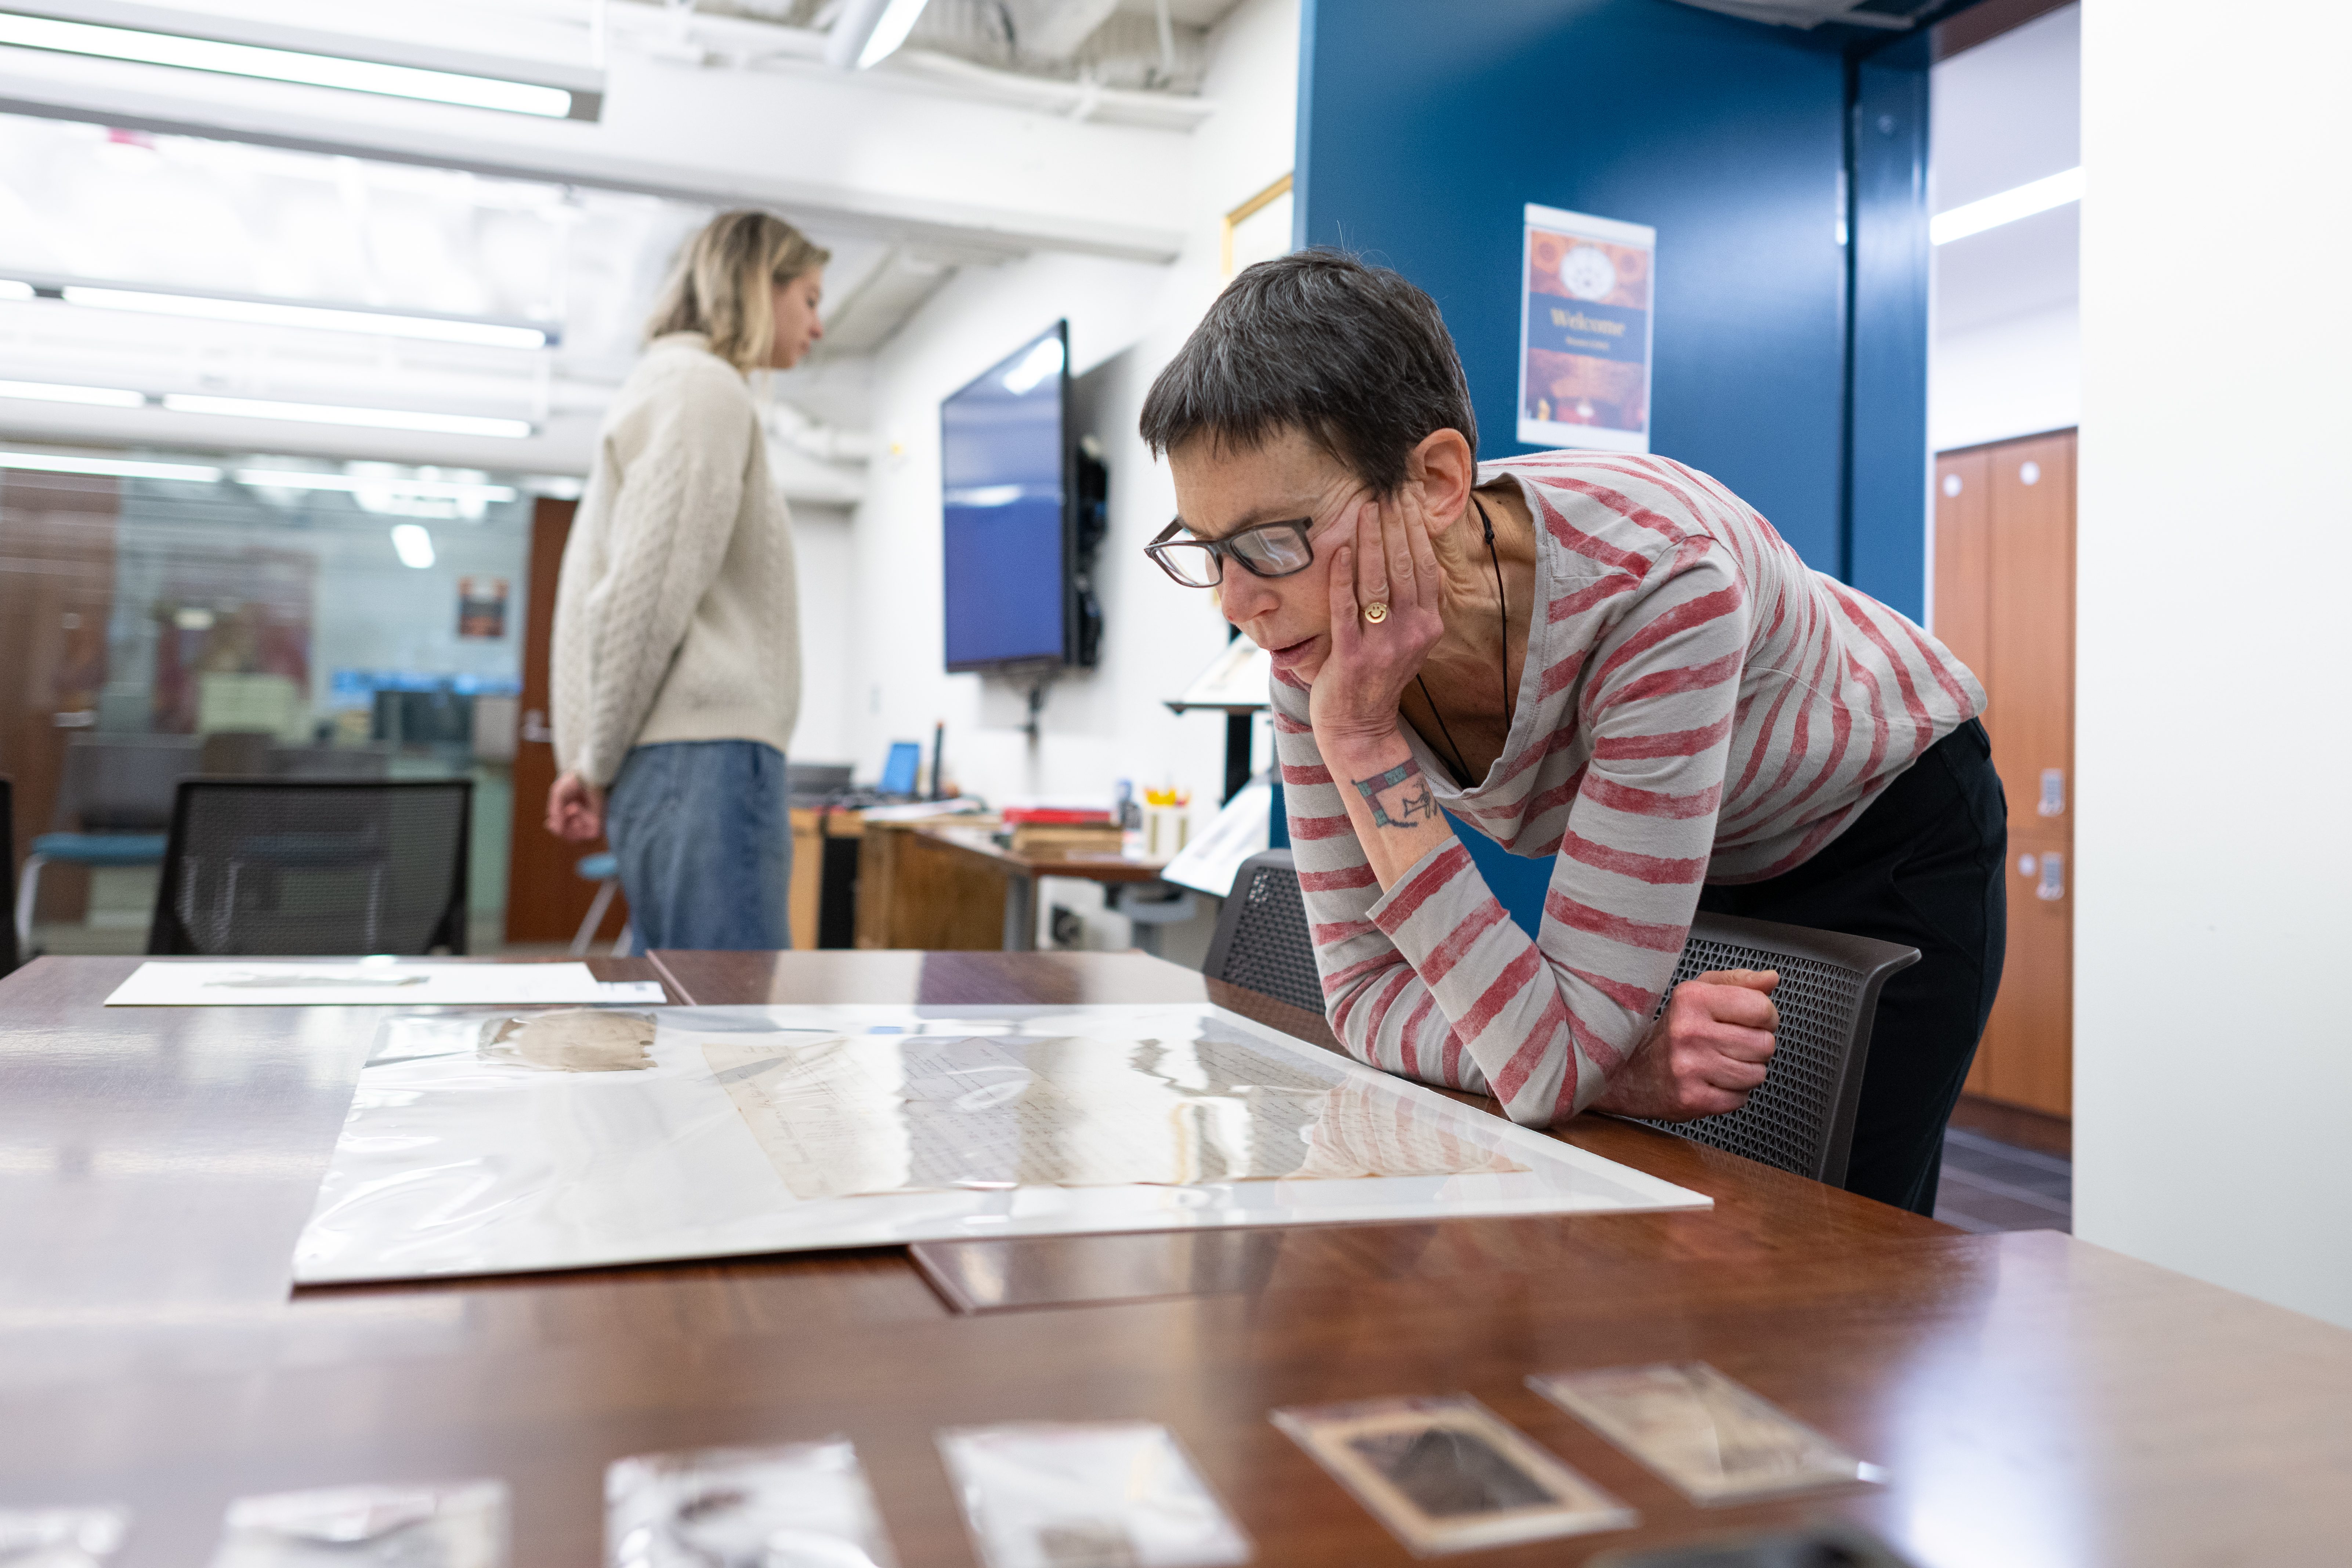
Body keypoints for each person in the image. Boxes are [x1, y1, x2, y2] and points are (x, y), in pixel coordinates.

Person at [1138, 251, 2002, 1214]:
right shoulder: (1314, 649)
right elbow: (1364, 1002)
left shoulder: (1659, 583)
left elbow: (1543, 1063)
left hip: (1884, 817)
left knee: (1845, 1240)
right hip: (1716, 845)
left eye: (1270, 541)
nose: (1238, 603)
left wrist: (1365, 747)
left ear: (1432, 480)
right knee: (1660, 1201)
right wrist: (1597, 1066)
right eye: (1206, 551)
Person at [544, 210, 826, 949]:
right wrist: (594, 762)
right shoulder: (703, 390)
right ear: (758, 288)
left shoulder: (670, 386)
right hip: (704, 767)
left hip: (677, 766)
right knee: (728, 1042)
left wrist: (592, 761)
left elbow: (622, 593)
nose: (818, 325)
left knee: (673, 1023)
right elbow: (643, 600)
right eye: (810, 298)